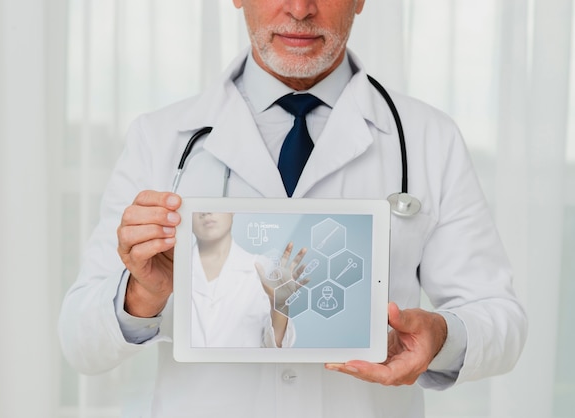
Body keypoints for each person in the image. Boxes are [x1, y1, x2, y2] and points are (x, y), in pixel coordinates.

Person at [58, 1, 528, 417]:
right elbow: (81, 343)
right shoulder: (160, 139)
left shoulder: (428, 138)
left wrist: (441, 336)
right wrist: (142, 297)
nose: (300, 8)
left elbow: (499, 316)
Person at [189, 211, 307, 348]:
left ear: (232, 210)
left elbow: (277, 347)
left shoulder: (264, 270)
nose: (207, 211)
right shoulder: (169, 268)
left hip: (241, 370)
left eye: (215, 202)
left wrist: (279, 305)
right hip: (177, 370)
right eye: (198, 205)